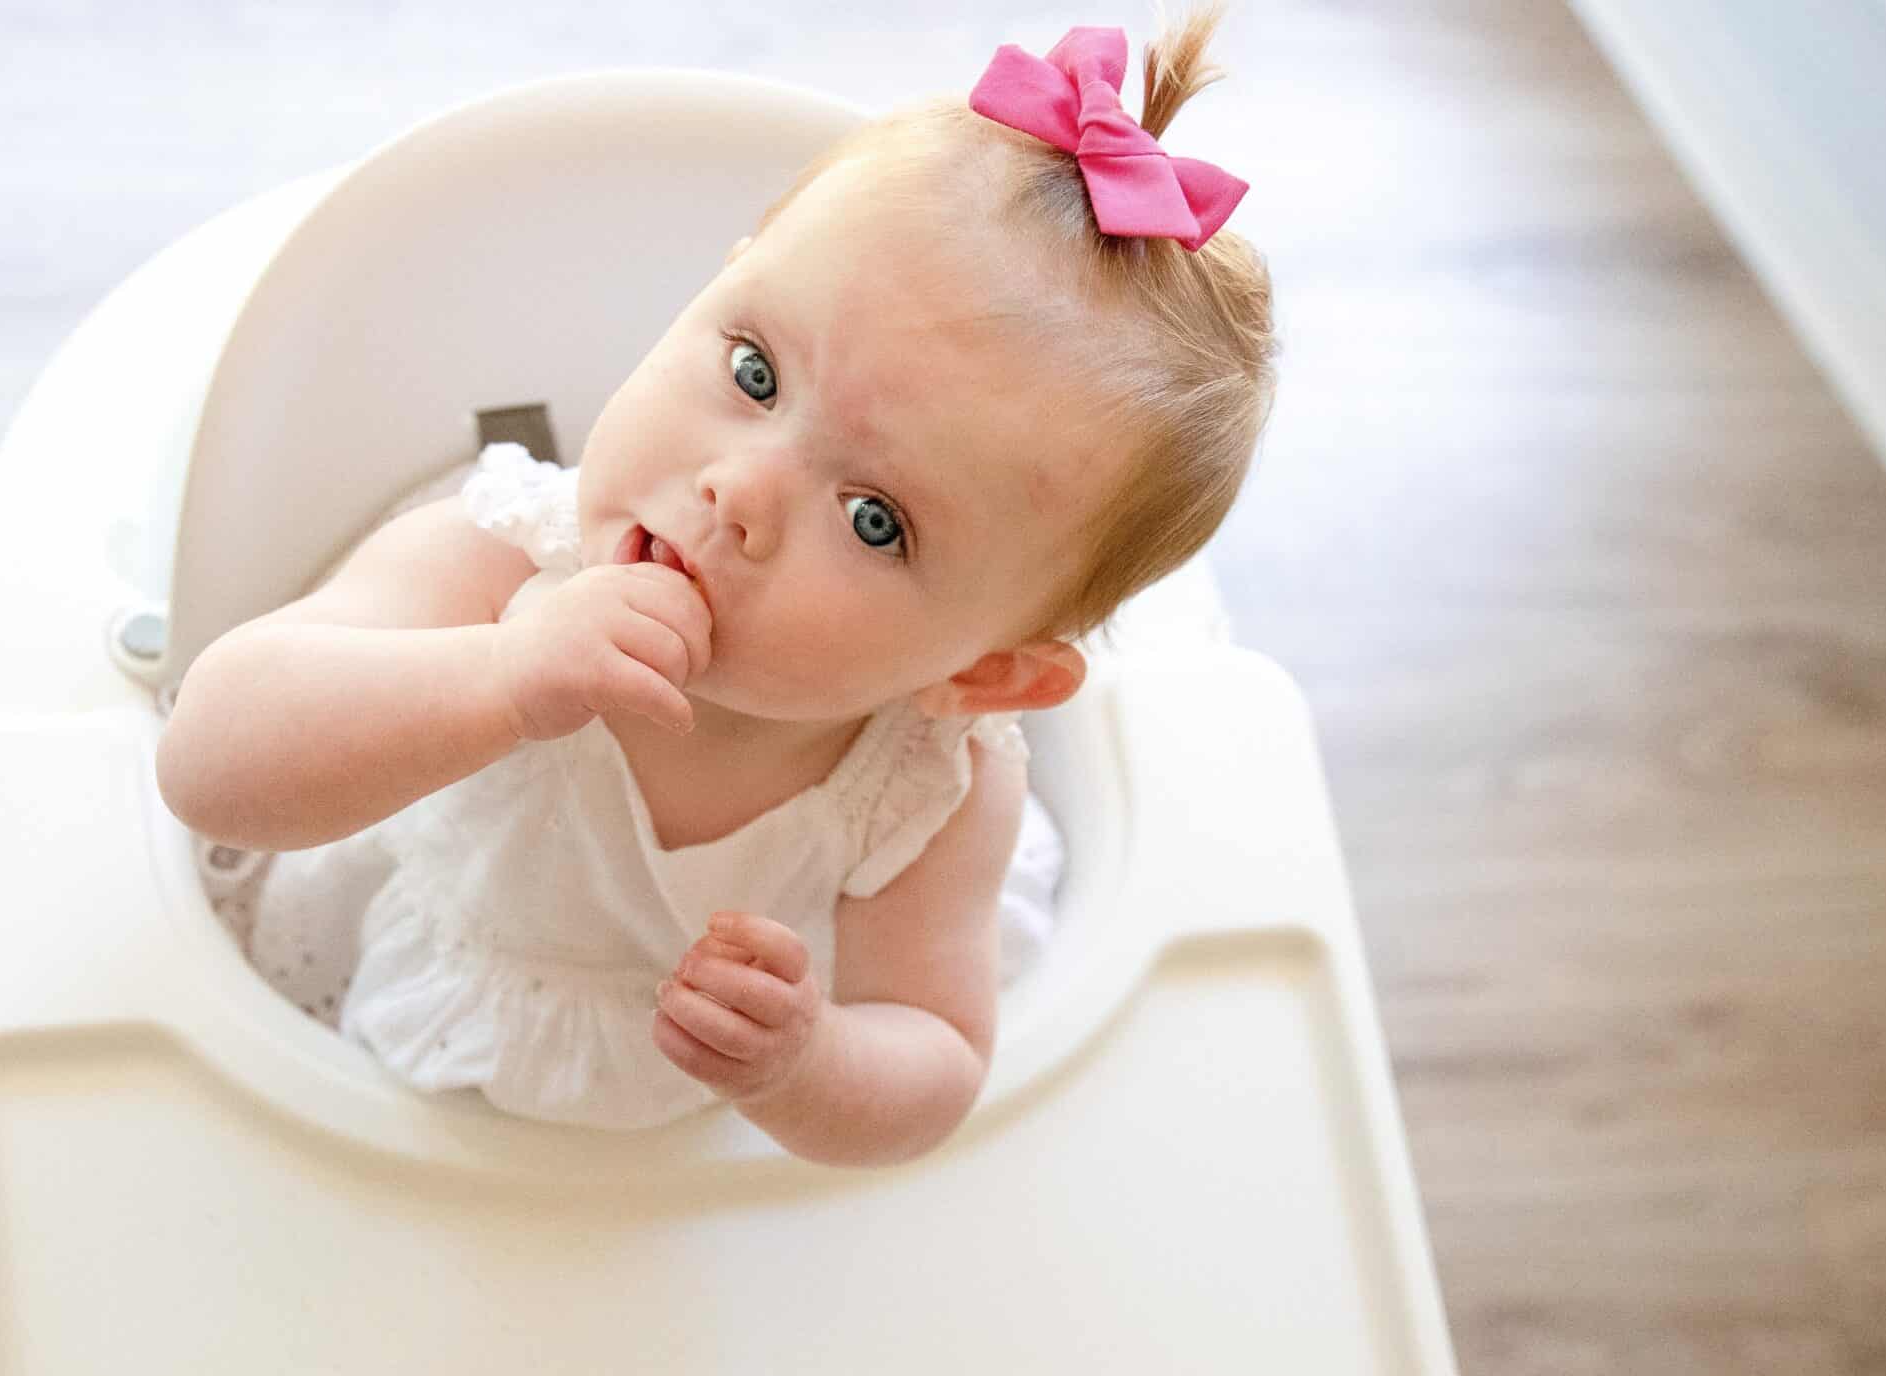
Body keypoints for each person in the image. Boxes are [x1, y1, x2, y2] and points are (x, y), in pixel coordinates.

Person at [157, 11, 1278, 1164]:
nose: (739, 490)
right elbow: (209, 761)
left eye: (874, 519)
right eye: (755, 372)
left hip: (695, 1138)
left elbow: (935, 1058)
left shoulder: (923, 793)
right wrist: (499, 675)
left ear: (982, 672)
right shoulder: (500, 551)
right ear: (720, 277)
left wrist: (807, 1064)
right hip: (396, 1024)